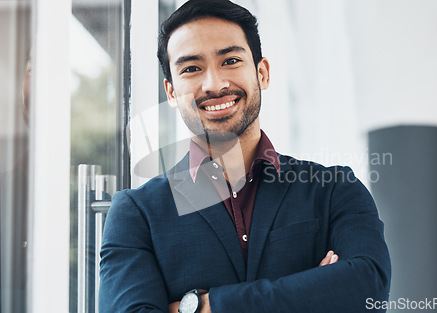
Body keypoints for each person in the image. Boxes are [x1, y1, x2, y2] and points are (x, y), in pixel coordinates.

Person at [99, 0, 391, 312]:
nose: (215, 84)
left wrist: (201, 306)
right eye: (192, 68)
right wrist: (310, 291)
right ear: (171, 92)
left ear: (262, 73)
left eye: (230, 61)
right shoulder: (136, 214)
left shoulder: (334, 189)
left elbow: (366, 289)